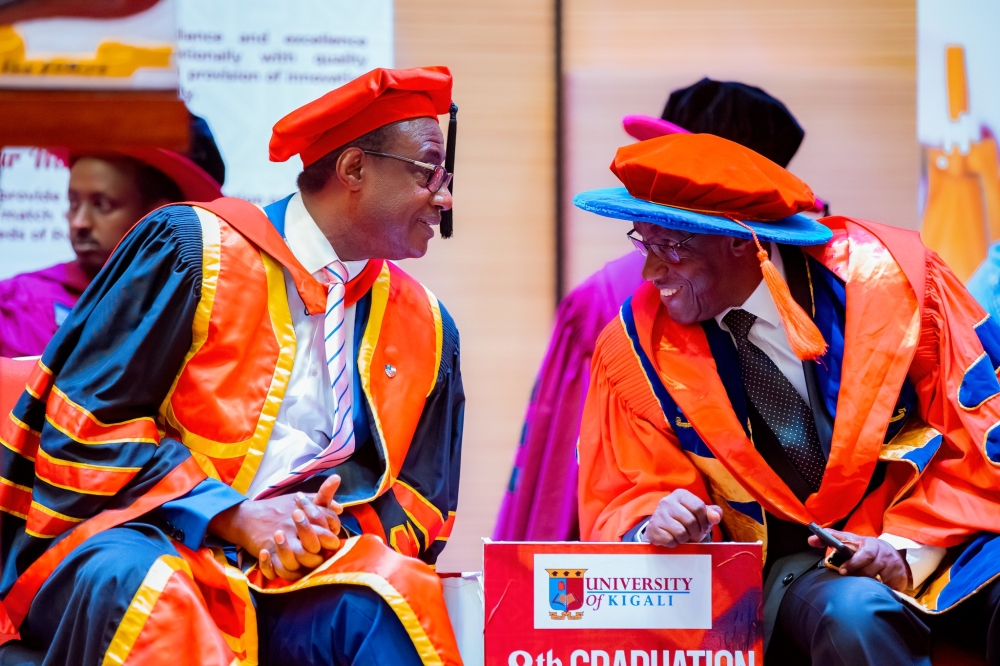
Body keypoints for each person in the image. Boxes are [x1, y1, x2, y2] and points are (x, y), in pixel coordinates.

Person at [0, 66, 464, 666]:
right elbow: (88, 425)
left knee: (389, 603)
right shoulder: (191, 250)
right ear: (354, 170)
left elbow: (422, 500)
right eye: (429, 172)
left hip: (289, 570)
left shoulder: (425, 326)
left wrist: (316, 535)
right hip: (147, 535)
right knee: (153, 595)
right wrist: (229, 514)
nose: (445, 196)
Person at [576, 132, 1000, 664]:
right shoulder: (638, 350)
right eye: (644, 241)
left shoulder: (899, 286)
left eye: (673, 247)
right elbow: (629, 490)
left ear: (741, 240)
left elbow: (979, 438)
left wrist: (901, 550)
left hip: (940, 531)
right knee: (855, 613)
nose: (649, 270)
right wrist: (656, 521)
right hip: (793, 562)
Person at [495, 78, 817, 542]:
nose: (653, 268)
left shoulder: (836, 288)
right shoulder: (615, 308)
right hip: (667, 546)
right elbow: (587, 471)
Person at [0, 116, 226, 357]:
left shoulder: (205, 313)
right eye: (73, 203)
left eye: (102, 205)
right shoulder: (19, 307)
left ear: (157, 217)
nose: (79, 223)